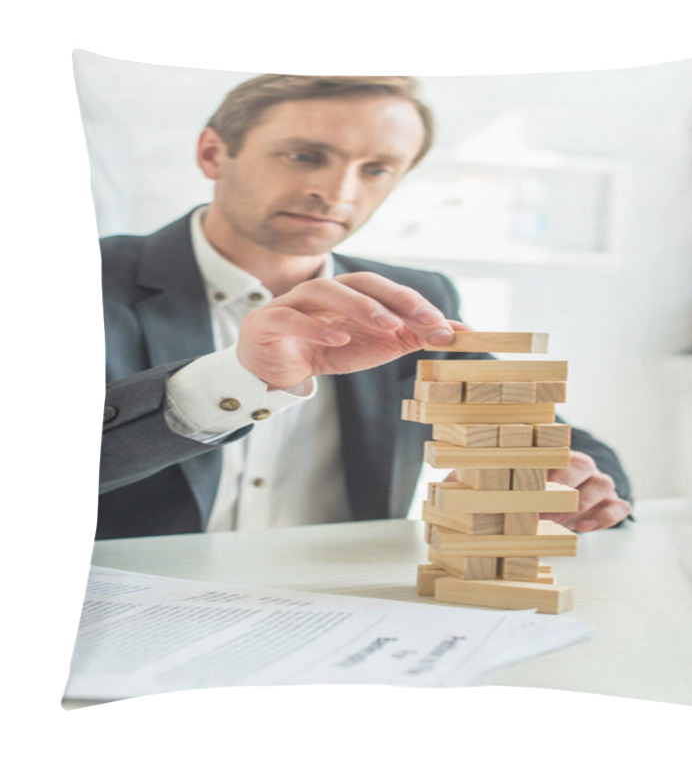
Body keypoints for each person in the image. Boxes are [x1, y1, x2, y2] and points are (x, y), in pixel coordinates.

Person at [98, 74, 632, 540]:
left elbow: (550, 440)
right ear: (213, 153)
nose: (337, 192)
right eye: (305, 156)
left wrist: (579, 481)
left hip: (347, 614)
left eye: (376, 169)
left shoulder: (410, 301)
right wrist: (238, 377)